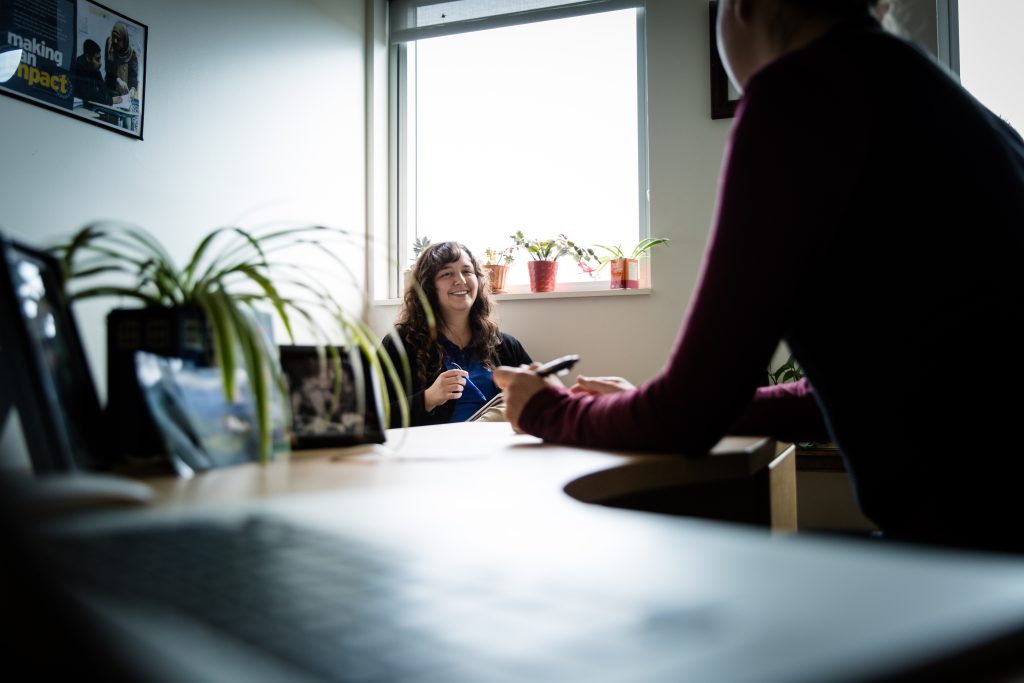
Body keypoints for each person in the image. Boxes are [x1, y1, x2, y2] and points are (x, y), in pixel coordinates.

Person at [495, 0, 1024, 553]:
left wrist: (547, 409)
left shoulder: (799, 94)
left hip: (972, 554)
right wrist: (634, 404)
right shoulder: (947, 102)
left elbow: (688, 417)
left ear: (744, 6)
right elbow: (881, 389)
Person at [382, 241, 533, 427]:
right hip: (432, 451)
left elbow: (543, 399)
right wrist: (427, 399)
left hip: (498, 449)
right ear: (428, 286)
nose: (460, 280)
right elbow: (372, 417)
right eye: (447, 273)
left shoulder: (505, 344)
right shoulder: (400, 344)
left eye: (467, 271)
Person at [72, 39, 119, 106]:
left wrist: (114, 96)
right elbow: (90, 96)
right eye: (97, 59)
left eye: (100, 59)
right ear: (88, 58)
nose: (100, 63)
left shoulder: (94, 69)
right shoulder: (78, 69)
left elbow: (103, 89)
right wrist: (111, 100)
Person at [104, 22, 138, 98]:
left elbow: (134, 75)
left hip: (123, 93)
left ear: (125, 40)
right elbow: (108, 67)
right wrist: (118, 80)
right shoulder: (109, 43)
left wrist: (133, 88)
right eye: (114, 36)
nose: (115, 41)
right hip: (109, 86)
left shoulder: (132, 54)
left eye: (118, 39)